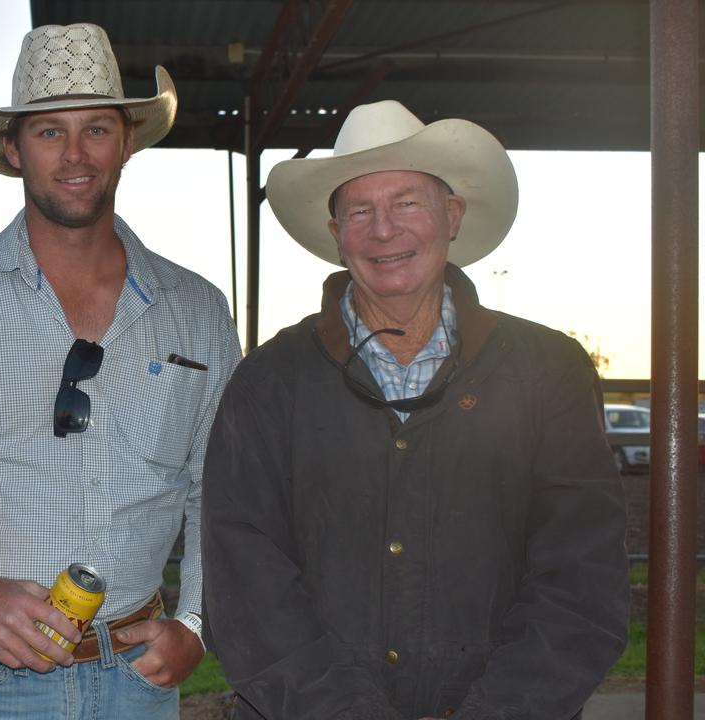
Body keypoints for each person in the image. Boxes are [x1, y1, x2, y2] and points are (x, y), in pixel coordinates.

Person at [0, 23, 240, 719]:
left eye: (96, 129)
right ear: (12, 148)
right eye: (49, 132)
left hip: (138, 678)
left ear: (126, 143)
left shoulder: (199, 311)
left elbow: (223, 488)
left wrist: (199, 624)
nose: (75, 155)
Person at [202, 100, 629, 719]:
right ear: (336, 233)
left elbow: (581, 579)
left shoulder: (547, 370)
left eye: (406, 202)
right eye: (360, 211)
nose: (384, 230)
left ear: (451, 216)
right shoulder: (269, 381)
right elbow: (247, 588)